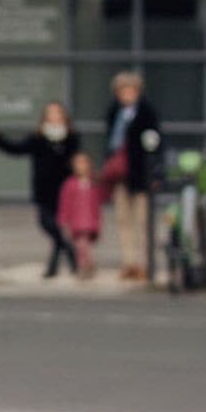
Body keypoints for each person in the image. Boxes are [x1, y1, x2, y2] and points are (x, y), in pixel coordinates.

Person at [0, 102, 79, 278]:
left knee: (60, 226)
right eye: (50, 113)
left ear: (63, 117)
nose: (54, 117)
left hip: (64, 190)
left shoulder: (71, 139)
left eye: (57, 113)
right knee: (47, 223)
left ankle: (53, 268)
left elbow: (77, 162)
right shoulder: (38, 138)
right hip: (43, 188)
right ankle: (69, 250)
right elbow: (16, 149)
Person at [100, 71, 161, 280]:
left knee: (142, 221)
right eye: (122, 90)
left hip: (140, 174)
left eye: (130, 90)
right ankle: (129, 262)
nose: (126, 94)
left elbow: (156, 145)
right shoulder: (114, 113)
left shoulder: (146, 113)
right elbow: (111, 144)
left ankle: (145, 263)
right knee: (123, 220)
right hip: (120, 175)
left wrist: (155, 174)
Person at [57, 151, 104, 278]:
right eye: (78, 163)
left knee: (83, 246)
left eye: (84, 163)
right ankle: (87, 265)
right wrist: (63, 219)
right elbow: (65, 203)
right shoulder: (70, 184)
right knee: (80, 247)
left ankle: (84, 267)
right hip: (75, 222)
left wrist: (98, 221)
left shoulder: (93, 183)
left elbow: (97, 204)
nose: (81, 166)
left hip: (89, 222)